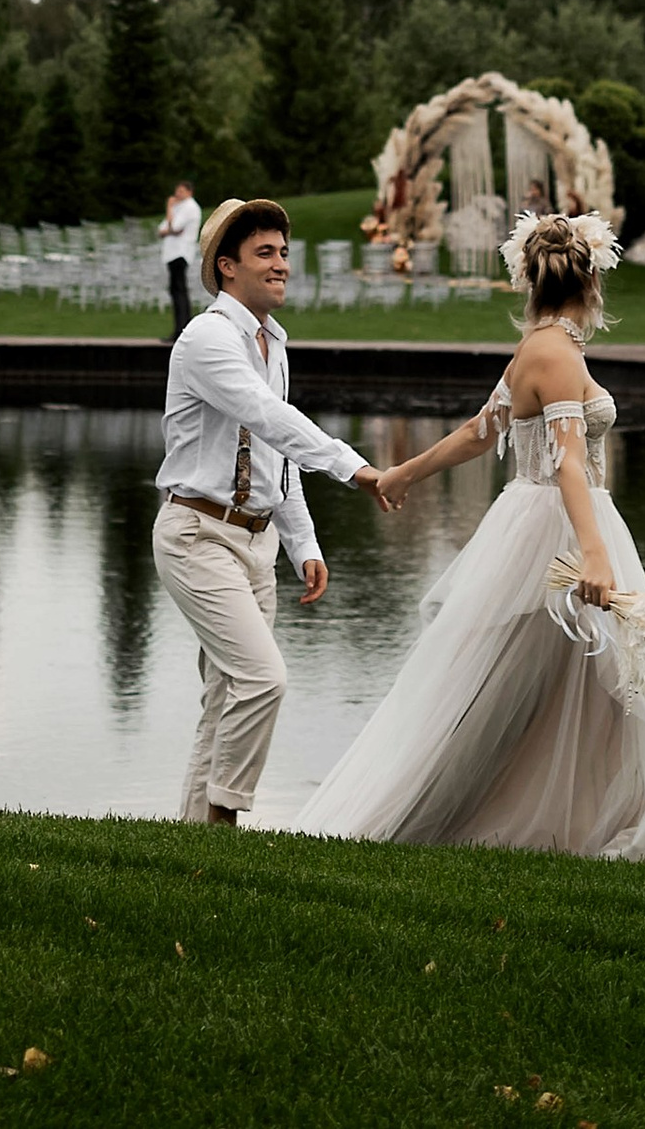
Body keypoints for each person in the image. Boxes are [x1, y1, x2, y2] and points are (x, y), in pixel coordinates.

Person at [301, 211, 645, 865]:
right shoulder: (555, 354)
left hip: (550, 522)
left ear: (529, 281)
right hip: (557, 530)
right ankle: (443, 815)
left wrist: (402, 473)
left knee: (594, 687)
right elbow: (565, 460)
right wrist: (592, 553)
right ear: (591, 283)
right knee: (528, 685)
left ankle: (587, 823)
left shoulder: (542, 346)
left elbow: (482, 431)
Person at [153, 195, 395, 828]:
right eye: (266, 253)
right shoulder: (208, 337)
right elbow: (270, 419)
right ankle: (226, 817)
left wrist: (304, 546)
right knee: (263, 680)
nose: (281, 264)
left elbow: (275, 458)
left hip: (254, 544)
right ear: (226, 267)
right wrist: (355, 468)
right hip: (196, 535)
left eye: (285, 253)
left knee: (226, 695)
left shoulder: (272, 344)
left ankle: (191, 838)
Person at [159, 175, 201, 333]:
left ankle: (182, 328)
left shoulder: (190, 207)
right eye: (177, 191)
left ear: (189, 192)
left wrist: (169, 207)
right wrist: (169, 229)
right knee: (175, 290)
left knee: (179, 291)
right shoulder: (180, 207)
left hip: (181, 253)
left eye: (181, 191)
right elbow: (162, 229)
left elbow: (174, 226)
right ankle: (179, 328)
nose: (177, 194)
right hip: (172, 252)